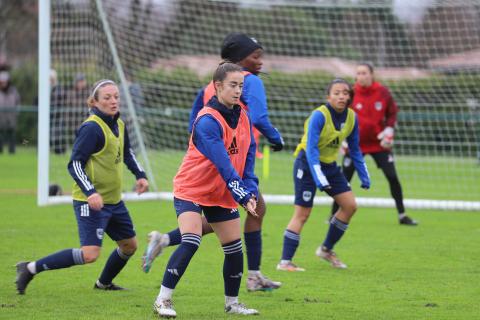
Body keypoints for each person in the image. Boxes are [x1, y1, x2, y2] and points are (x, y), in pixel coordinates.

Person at [144, 33, 284, 292]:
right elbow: (260, 118)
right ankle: (252, 276)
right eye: (256, 56)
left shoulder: (212, 85)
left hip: (216, 164)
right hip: (227, 165)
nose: (260, 62)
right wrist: (277, 138)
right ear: (240, 60)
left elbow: (194, 121)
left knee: (217, 223)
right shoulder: (250, 80)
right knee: (252, 211)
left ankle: (165, 239)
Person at [15, 79, 149, 294]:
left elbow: (127, 153)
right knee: (89, 254)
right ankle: (30, 268)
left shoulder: (119, 123)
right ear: (94, 102)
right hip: (91, 201)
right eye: (107, 98)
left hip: (113, 201)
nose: (113, 101)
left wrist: (140, 175)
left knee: (129, 246)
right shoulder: (91, 128)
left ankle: (103, 284)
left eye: (116, 96)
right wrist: (90, 192)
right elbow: (75, 164)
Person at [153, 62, 259, 317]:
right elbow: (223, 164)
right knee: (191, 239)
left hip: (221, 192)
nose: (237, 90)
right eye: (232, 85)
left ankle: (232, 304)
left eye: (241, 86)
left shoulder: (243, 115)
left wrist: (251, 188)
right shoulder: (206, 121)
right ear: (218, 86)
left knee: (234, 248)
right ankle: (162, 300)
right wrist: (242, 194)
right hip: (192, 188)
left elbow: (249, 153)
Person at [277, 79, 370, 271]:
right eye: (336, 93)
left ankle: (326, 250)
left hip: (329, 166)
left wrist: (364, 174)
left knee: (350, 206)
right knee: (303, 213)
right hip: (308, 164)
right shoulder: (319, 116)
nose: (341, 96)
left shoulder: (352, 117)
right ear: (328, 97)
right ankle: (285, 262)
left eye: (345, 93)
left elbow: (355, 150)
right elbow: (311, 150)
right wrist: (319, 178)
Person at [330, 63, 417, 226]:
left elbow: (392, 112)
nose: (360, 76)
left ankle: (402, 215)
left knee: (392, 177)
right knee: (343, 179)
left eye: (364, 73)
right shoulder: (350, 93)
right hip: (355, 145)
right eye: (358, 73)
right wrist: (342, 137)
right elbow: (339, 115)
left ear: (372, 75)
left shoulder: (383, 92)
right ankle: (332, 215)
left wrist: (389, 129)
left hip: (379, 144)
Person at [0, 68, 20, 154]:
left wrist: (16, 113)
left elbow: (18, 102)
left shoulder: (13, 91)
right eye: (1, 81)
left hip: (11, 117)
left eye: (5, 81)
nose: (3, 83)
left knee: (11, 134)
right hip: (1, 117)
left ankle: (12, 151)